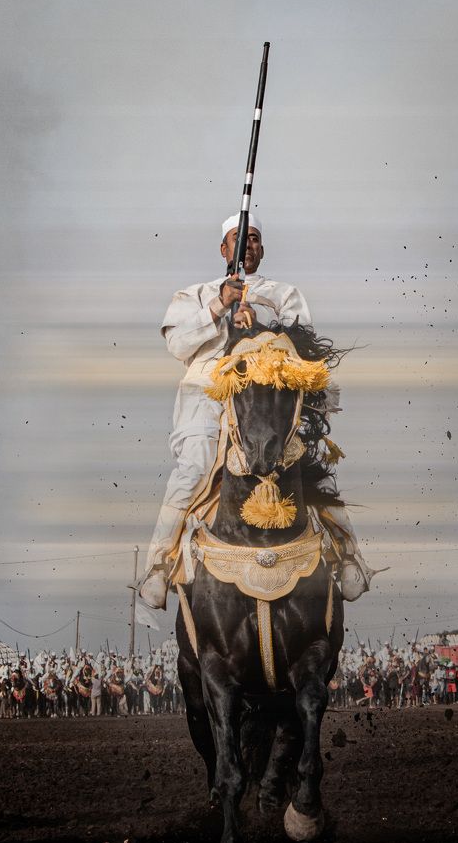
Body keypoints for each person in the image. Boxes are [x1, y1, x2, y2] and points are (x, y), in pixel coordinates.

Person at [134, 213, 376, 613]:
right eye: (238, 238)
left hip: (265, 401)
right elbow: (178, 345)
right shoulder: (193, 294)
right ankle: (158, 566)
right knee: (193, 468)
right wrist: (219, 305)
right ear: (223, 248)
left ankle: (348, 556)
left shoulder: (284, 294)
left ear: (262, 248)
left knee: (304, 463)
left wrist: (258, 324)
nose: (247, 244)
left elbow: (302, 344)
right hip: (207, 398)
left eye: (254, 239)